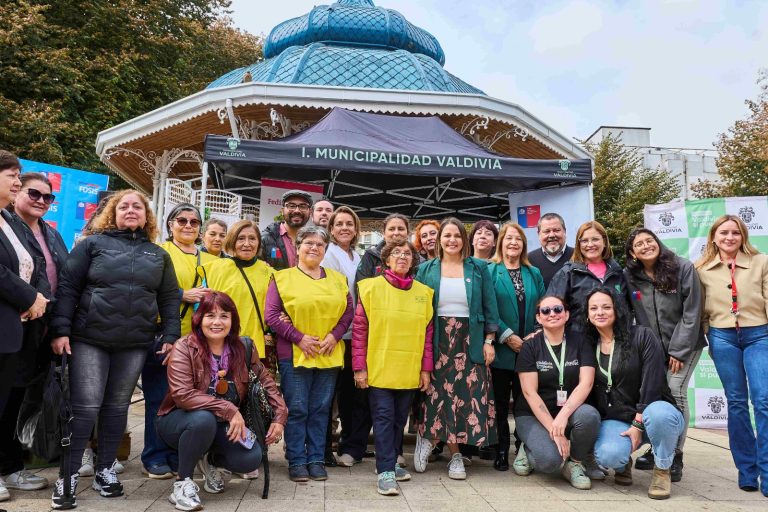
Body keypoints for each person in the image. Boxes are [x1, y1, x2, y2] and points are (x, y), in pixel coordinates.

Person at [49, 189, 180, 509]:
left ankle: (105, 469)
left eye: (138, 206)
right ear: (113, 212)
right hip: (90, 339)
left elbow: (169, 297)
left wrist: (172, 335)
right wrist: (60, 330)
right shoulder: (92, 246)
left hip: (134, 343)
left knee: (117, 408)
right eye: (124, 206)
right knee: (86, 407)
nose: (131, 210)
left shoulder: (158, 254)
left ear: (147, 216)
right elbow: (68, 288)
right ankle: (67, 475)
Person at [156, 291, 287, 511]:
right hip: (179, 421)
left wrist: (280, 416)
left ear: (233, 320)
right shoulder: (184, 347)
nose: (217, 322)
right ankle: (182, 483)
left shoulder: (244, 347)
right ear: (200, 319)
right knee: (203, 420)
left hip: (223, 423)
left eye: (224, 316)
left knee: (250, 458)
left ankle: (209, 461)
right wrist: (228, 409)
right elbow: (182, 395)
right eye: (210, 316)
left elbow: (266, 382)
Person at [412, 217, 500, 480]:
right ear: (439, 240)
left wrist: (489, 340)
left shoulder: (478, 268)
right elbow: (417, 309)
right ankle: (449, 452)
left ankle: (451, 449)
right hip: (437, 339)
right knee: (439, 395)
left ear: (465, 239)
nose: (452, 240)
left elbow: (489, 306)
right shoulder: (426, 269)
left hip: (469, 338)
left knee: (466, 395)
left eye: (457, 236)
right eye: (447, 236)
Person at [265, 226, 353, 482]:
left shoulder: (337, 279)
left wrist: (333, 336)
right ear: (298, 247)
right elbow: (271, 315)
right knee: (298, 408)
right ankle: (296, 459)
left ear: (325, 250)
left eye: (320, 244)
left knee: (320, 409)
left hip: (328, 352)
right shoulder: (282, 278)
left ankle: (315, 458)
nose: (314, 248)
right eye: (309, 243)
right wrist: (299, 338)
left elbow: (348, 312)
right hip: (294, 353)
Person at [2, 172, 67, 496]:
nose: (42, 201)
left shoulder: (52, 234)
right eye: (34, 193)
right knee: (7, 400)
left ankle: (15, 463)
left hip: (41, 329)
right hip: (13, 324)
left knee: (21, 401)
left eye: (48, 197)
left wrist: (54, 322)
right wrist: (30, 300)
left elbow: (56, 278)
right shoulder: (7, 224)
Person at [353, 238, 434, 495]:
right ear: (386, 260)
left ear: (413, 261)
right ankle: (386, 470)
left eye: (407, 253)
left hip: (409, 369)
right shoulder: (369, 288)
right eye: (396, 253)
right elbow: (359, 332)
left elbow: (428, 337)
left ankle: (392, 462)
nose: (402, 256)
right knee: (384, 419)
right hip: (378, 368)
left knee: (400, 419)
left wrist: (425, 369)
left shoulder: (424, 293)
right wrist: (359, 367)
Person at [586, 288, 684, 500]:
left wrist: (638, 422)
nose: (600, 312)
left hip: (653, 412)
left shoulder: (641, 335)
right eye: (593, 308)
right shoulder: (588, 343)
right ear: (587, 313)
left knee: (660, 415)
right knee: (608, 455)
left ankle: (662, 469)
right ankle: (623, 464)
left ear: (617, 309)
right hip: (617, 418)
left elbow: (653, 382)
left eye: (606, 307)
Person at [695, 215, 768, 497]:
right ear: (713, 237)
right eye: (723, 232)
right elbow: (700, 308)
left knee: (762, 400)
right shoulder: (701, 268)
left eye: (735, 233)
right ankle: (747, 472)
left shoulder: (761, 261)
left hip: (759, 334)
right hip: (722, 335)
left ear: (743, 236)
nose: (729, 237)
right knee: (736, 402)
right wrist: (709, 332)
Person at [624, 228, 705, 480]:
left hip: (685, 345)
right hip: (653, 351)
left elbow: (692, 312)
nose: (646, 246)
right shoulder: (630, 276)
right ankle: (659, 447)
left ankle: (676, 455)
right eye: (639, 244)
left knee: (676, 391)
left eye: (650, 240)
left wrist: (679, 350)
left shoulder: (682, 268)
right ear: (632, 253)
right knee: (656, 395)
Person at [146, 204, 217, 479]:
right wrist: (181, 294)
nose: (188, 226)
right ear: (170, 224)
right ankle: (154, 456)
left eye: (194, 222)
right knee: (159, 397)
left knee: (187, 400)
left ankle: (179, 454)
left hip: (197, 342)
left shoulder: (207, 257)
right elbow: (147, 286)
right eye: (182, 220)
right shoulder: (160, 252)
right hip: (166, 336)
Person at [0, 155, 51, 503]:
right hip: (9, 319)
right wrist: (29, 296)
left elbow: (32, 264)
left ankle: (7, 466)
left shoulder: (7, 220)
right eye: (12, 177)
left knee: (8, 403)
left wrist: (38, 300)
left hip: (16, 329)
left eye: (19, 176)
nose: (17, 182)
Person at [514, 295, 600, 489]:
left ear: (567, 314)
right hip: (533, 415)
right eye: (545, 311)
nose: (552, 314)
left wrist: (562, 418)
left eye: (557, 309)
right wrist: (555, 430)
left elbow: (586, 383)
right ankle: (527, 448)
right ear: (538, 318)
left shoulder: (581, 341)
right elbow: (529, 393)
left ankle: (575, 463)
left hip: (567, 411)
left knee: (589, 416)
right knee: (549, 462)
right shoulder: (530, 346)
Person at [487, 223, 545, 472]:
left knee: (525, 403)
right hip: (501, 349)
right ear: (501, 242)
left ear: (523, 244)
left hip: (529, 350)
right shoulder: (490, 271)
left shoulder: (534, 273)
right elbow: (486, 309)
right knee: (499, 403)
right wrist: (508, 336)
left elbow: (542, 307)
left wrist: (533, 335)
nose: (513, 243)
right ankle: (501, 448)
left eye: (518, 239)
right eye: (508, 238)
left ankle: (523, 446)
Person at [201, 220, 275, 377]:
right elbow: (202, 309)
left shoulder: (270, 273)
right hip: (221, 346)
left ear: (259, 243)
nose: (247, 244)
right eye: (241, 238)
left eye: (252, 238)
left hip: (257, 348)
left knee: (254, 397)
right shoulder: (214, 269)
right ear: (232, 240)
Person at [321, 207, 362, 467]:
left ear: (356, 229)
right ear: (331, 228)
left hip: (353, 335)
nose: (345, 228)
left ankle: (349, 445)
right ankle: (324, 448)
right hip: (334, 333)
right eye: (339, 224)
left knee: (350, 396)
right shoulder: (329, 253)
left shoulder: (357, 255)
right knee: (328, 395)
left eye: (349, 223)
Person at [547, 220, 631, 331]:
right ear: (579, 244)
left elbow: (627, 308)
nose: (590, 245)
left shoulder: (617, 272)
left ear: (604, 242)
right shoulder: (568, 273)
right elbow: (551, 308)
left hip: (617, 341)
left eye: (595, 239)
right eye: (585, 241)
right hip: (581, 342)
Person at [261, 190, 312, 270]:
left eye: (303, 206)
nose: (297, 211)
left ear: (310, 212)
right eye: (291, 206)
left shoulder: (314, 241)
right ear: (282, 211)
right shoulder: (265, 239)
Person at [356, 213, 410, 282]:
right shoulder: (371, 256)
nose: (396, 233)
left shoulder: (417, 259)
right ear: (384, 233)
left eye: (401, 229)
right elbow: (361, 285)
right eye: (391, 229)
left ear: (408, 233)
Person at [528, 213, 574, 288]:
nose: (552, 235)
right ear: (539, 234)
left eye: (556, 230)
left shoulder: (577, 256)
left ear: (564, 231)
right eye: (546, 231)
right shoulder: (529, 260)